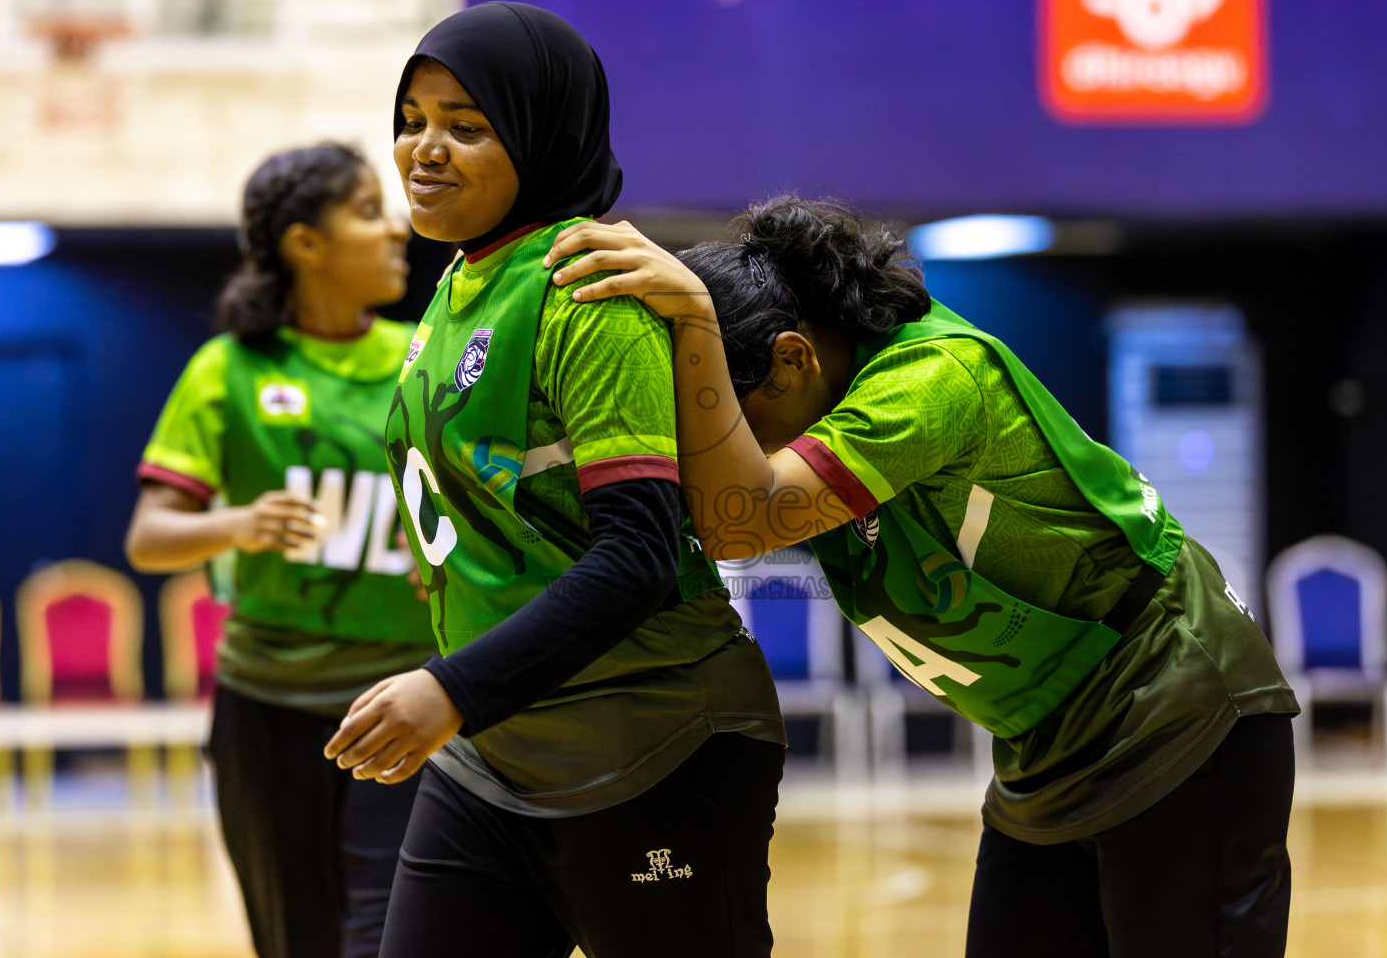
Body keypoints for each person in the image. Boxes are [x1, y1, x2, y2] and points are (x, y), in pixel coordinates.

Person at [544, 196, 1302, 958]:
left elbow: (741, 518)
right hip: (1046, 742)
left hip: (1179, 708)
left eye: (721, 420)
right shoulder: (824, 411)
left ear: (793, 358)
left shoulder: (932, 378)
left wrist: (698, 323)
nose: (705, 456)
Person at [319, 3, 786, 958]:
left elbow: (641, 553)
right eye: (412, 119)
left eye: (468, 126)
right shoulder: (456, 286)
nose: (425, 149)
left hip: (652, 747)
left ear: (541, 134)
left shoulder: (588, 289)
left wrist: (450, 686)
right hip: (492, 756)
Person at [125, 143, 436, 958]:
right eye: (369, 211)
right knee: (296, 940)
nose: (398, 229)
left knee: (390, 935)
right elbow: (149, 538)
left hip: (405, 702)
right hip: (269, 706)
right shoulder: (226, 369)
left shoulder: (422, 357)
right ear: (307, 243)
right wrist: (238, 523)